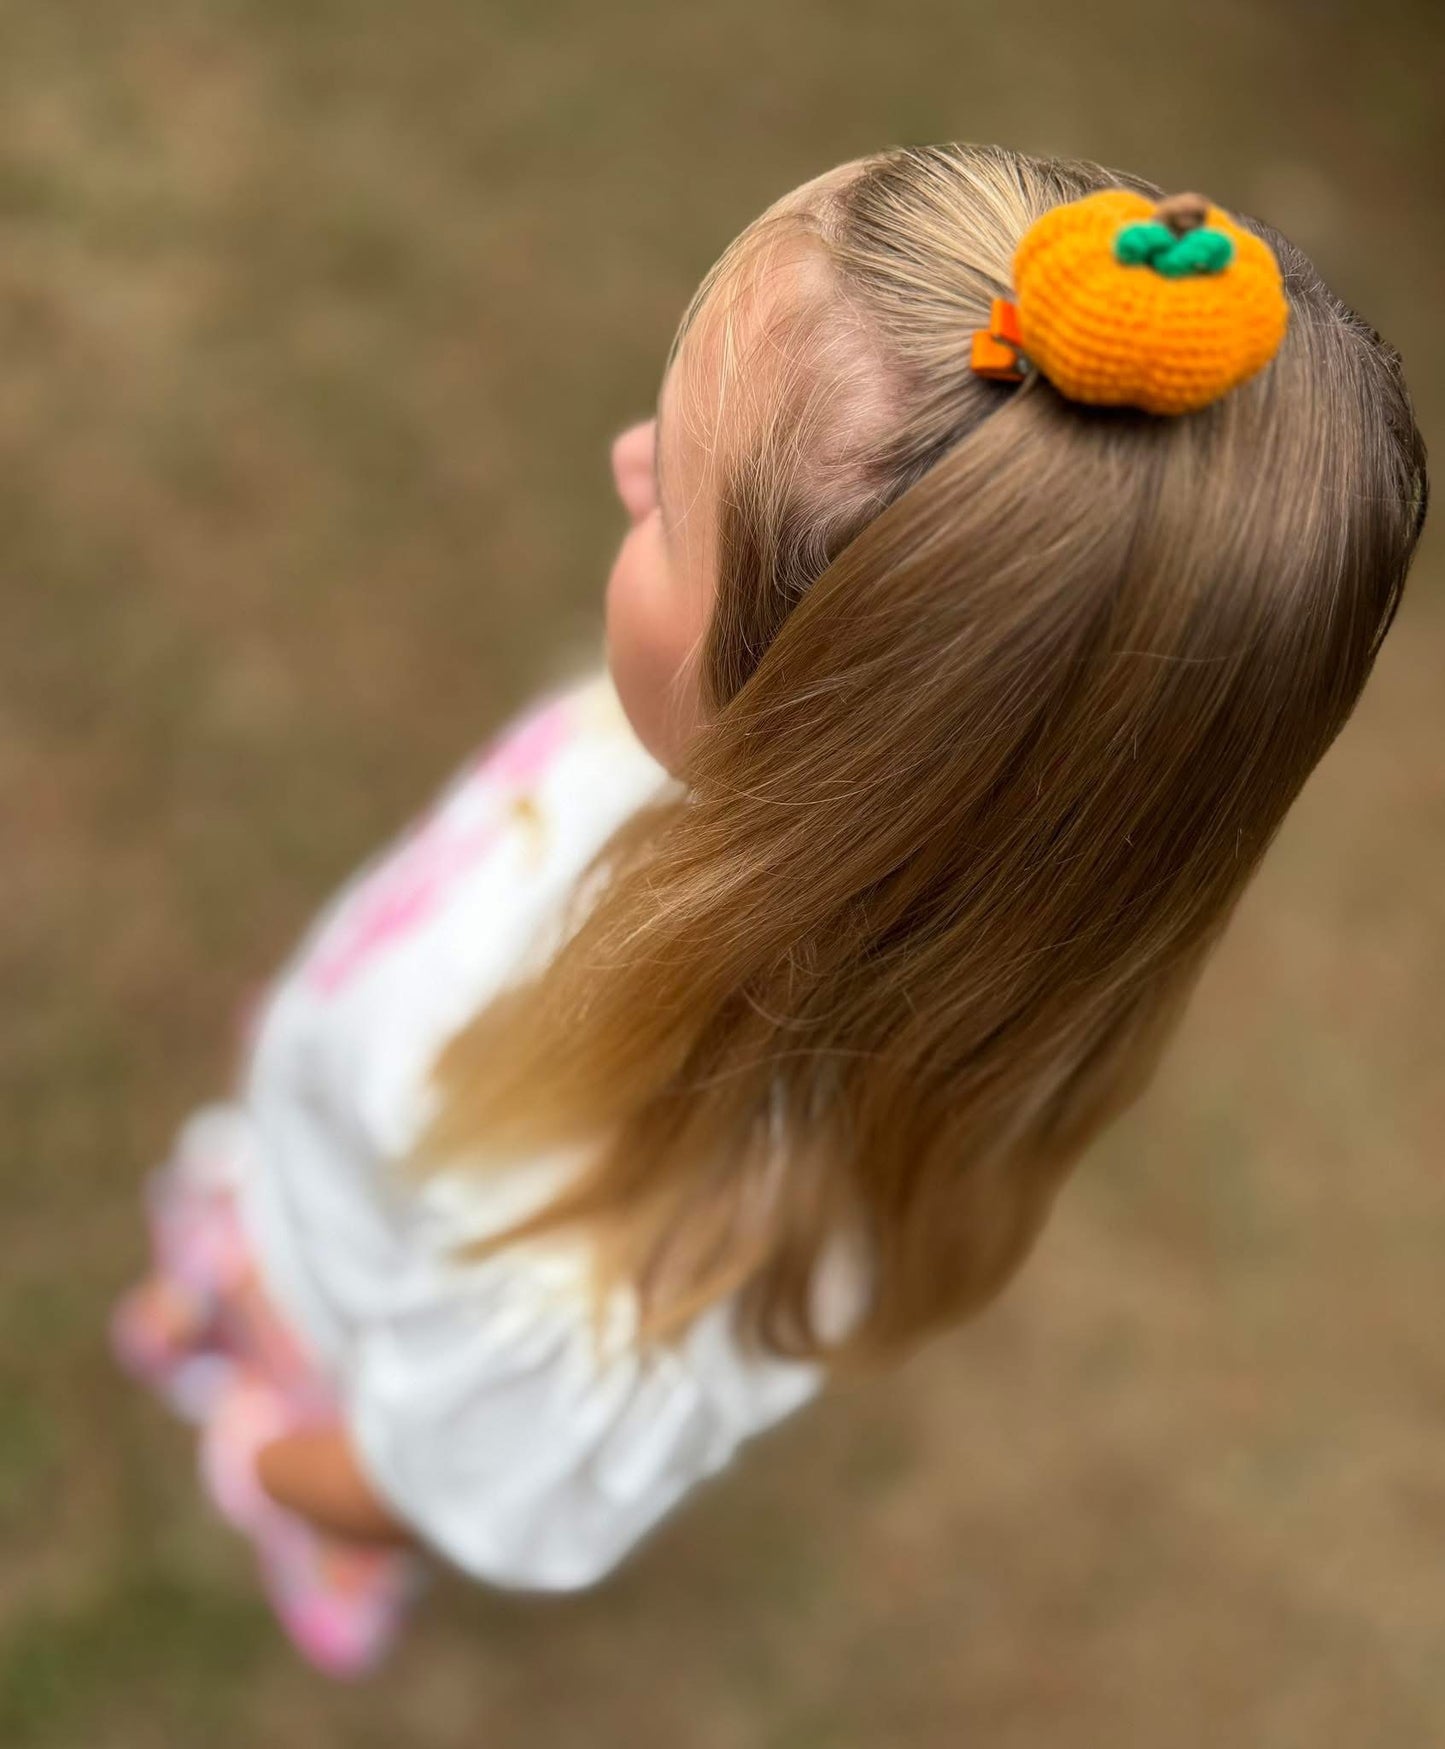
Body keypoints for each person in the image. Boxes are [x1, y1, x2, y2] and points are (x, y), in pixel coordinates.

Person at [112, 143, 1428, 1676]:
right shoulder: (701, 766)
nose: (616, 461)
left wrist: (263, 1459)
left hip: (337, 1353)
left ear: (813, 739)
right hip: (309, 1181)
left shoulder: (628, 1274)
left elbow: (428, 1475)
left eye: (671, 498)